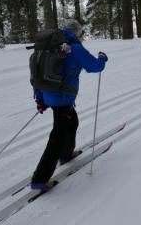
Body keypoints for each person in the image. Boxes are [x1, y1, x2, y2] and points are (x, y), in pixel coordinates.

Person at [31, 19, 108, 190]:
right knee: (57, 137)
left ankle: (66, 154)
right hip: (62, 98)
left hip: (48, 94)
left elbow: (37, 72)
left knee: (72, 122)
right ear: (77, 33)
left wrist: (40, 97)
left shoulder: (49, 46)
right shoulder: (75, 49)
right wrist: (102, 59)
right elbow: (95, 67)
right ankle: (40, 179)